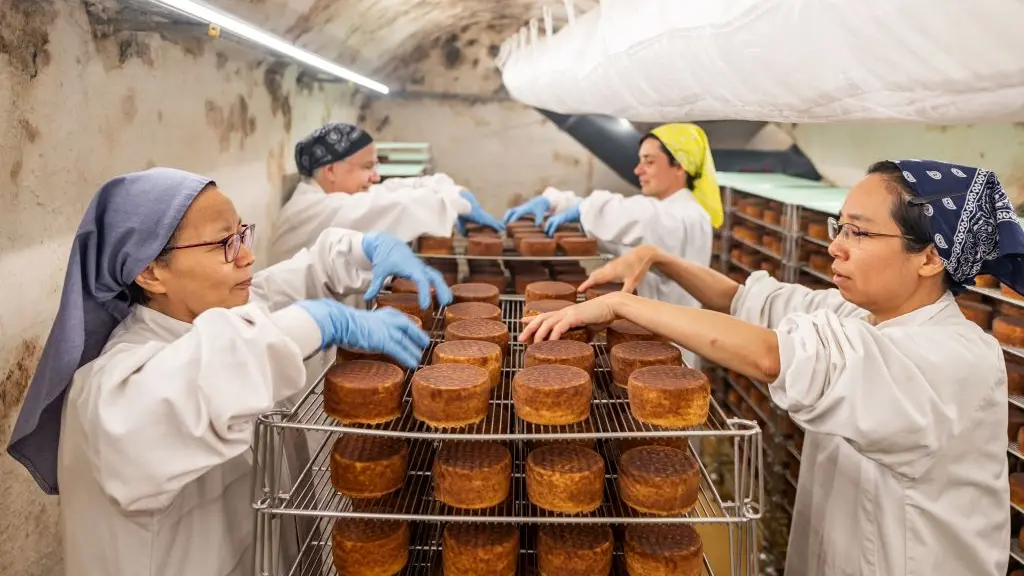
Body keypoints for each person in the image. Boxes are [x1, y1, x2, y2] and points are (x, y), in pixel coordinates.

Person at [522, 159, 1014, 575]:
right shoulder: (862, 315)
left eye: (859, 233)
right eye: (838, 227)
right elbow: (747, 301)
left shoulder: (953, 359)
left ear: (930, 257)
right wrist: (659, 259)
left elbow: (772, 355)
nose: (835, 246)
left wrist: (624, 307)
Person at [5, 167, 448, 576]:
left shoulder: (215, 313)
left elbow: (293, 281)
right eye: (225, 244)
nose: (248, 256)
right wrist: (323, 320)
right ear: (150, 272)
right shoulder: (113, 392)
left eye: (243, 233)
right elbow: (210, 371)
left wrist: (365, 247)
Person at [503, 123, 720, 365]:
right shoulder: (671, 212)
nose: (638, 170)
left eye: (649, 161)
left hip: (669, 346)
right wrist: (558, 202)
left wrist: (575, 206)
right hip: (651, 339)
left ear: (680, 165)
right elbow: (627, 240)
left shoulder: (680, 216)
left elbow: (632, 215)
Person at [269, 122, 504, 265]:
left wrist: (454, 191)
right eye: (367, 167)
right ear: (331, 170)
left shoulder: (334, 196)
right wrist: (455, 202)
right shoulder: (316, 210)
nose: (376, 176)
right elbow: (398, 205)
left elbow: (397, 189)